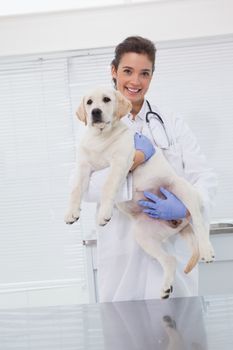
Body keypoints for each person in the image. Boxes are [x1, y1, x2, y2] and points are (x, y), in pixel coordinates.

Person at [85, 36, 217, 302]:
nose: (135, 81)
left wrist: (186, 207)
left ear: (152, 76)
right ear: (114, 71)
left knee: (181, 337)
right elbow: (85, 187)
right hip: (123, 263)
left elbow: (204, 177)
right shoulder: (95, 124)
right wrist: (132, 164)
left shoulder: (171, 122)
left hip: (174, 257)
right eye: (128, 71)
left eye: (144, 73)